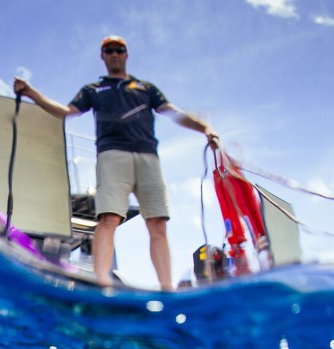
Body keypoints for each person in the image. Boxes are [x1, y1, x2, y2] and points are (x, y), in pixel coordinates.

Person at [14, 36, 220, 291]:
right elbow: (65, 112)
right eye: (108, 50)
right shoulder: (93, 89)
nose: (114, 54)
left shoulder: (146, 88)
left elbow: (173, 112)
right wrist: (31, 92)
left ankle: (166, 289)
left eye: (118, 50)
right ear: (103, 56)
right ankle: (102, 283)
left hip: (148, 157)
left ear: (126, 54)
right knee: (109, 218)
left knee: (158, 222)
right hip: (112, 155)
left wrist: (205, 128)